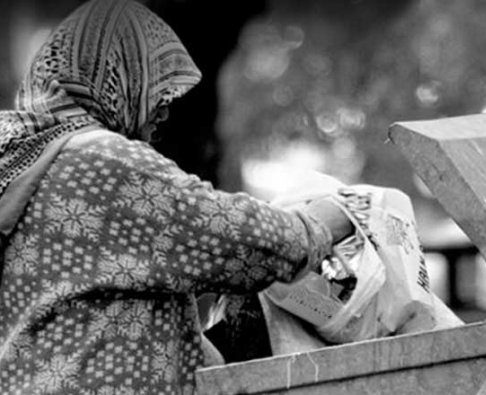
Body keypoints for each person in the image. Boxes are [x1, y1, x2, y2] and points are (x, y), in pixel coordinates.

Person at [0, 0, 352, 393]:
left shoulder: (27, 161)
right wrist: (327, 219)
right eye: (157, 88)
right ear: (118, 76)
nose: (164, 111)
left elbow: (99, 291)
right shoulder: (103, 161)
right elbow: (245, 240)